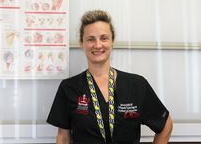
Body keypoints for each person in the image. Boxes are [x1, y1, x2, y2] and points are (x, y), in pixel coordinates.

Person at [47, 10, 173, 144]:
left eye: (103, 38)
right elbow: (63, 137)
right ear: (81, 43)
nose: (97, 45)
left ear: (112, 41)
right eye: (90, 39)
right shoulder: (69, 87)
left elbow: (166, 124)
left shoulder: (137, 84)